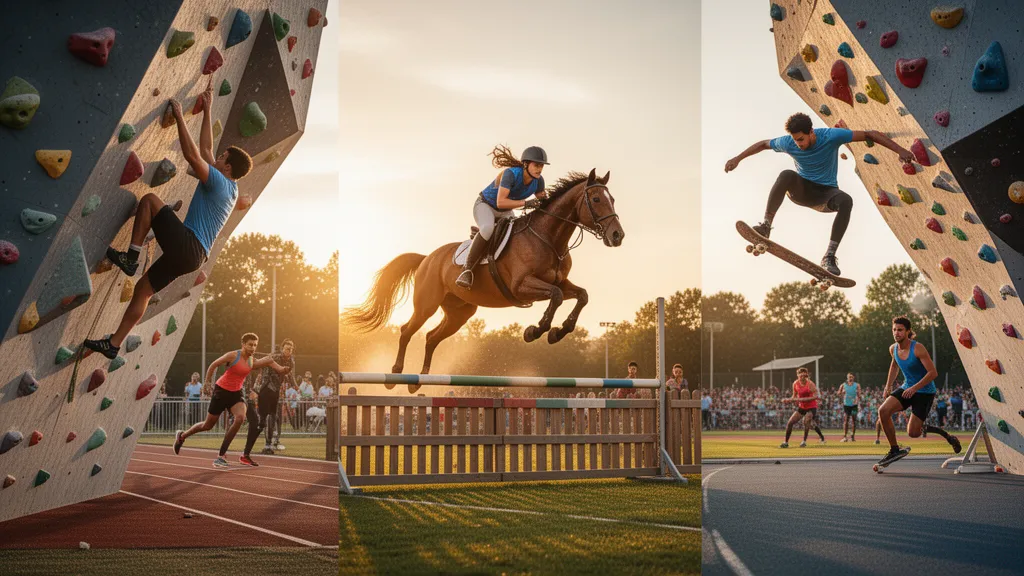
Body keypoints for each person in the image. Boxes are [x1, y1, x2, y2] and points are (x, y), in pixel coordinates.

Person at [84, 78, 253, 359]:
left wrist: (179, 117)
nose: (218, 156)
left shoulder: (220, 184)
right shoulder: (230, 188)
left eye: (223, 156)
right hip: (194, 256)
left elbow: (193, 155)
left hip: (189, 245)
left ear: (228, 166)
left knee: (149, 201)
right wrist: (209, 109)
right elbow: (208, 151)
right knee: (143, 290)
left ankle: (131, 258)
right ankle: (113, 344)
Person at [724, 112, 914, 276]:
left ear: (811, 132)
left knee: (846, 200)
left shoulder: (831, 136)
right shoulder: (788, 142)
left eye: (801, 139)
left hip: (826, 194)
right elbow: (764, 144)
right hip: (801, 191)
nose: (798, 144)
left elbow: (869, 134)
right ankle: (766, 226)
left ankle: (829, 256)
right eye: (795, 139)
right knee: (786, 175)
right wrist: (738, 158)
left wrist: (900, 150)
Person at [172, 333, 291, 467]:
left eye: (255, 345)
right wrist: (206, 383)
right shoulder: (233, 355)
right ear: (243, 344)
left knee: (240, 418)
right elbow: (213, 365)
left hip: (236, 393)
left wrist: (283, 369)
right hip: (221, 391)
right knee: (207, 425)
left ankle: (221, 455)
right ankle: (182, 436)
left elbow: (269, 361)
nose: (253, 348)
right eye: (250, 344)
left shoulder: (252, 361)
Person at [456, 145, 551, 289]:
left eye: (541, 166)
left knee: (518, 233)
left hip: (506, 211)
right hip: (486, 206)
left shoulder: (539, 181)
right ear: (526, 164)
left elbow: (542, 200)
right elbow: (500, 202)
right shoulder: (511, 174)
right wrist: (526, 203)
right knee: (488, 228)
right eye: (536, 165)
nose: (539, 169)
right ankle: (467, 270)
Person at [876, 316, 961, 466]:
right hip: (906, 387)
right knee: (883, 411)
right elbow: (894, 365)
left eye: (900, 330)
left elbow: (933, 373)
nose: (897, 333)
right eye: (894, 330)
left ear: (908, 332)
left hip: (925, 392)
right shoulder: (893, 349)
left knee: (913, 433)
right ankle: (894, 449)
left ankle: (946, 435)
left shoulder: (918, 348)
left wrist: (915, 388)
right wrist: (888, 386)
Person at [243, 339, 296, 458]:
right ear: (282, 348)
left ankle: (269, 443)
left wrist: (295, 386)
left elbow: (290, 374)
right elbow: (264, 362)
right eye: (287, 348)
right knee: (262, 420)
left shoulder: (291, 361)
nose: (289, 351)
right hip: (265, 388)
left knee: (273, 415)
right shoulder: (274, 357)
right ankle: (253, 443)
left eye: (291, 349)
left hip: (275, 391)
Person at [779, 367, 826, 448]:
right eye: (800, 376)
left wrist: (803, 399)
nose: (802, 378)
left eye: (804, 376)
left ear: (806, 375)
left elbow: (816, 396)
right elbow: (794, 396)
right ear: (797, 375)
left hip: (811, 407)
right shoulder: (795, 384)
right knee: (790, 422)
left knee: (807, 421)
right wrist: (788, 400)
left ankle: (804, 441)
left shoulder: (810, 384)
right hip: (802, 407)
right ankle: (786, 442)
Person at [837, 373, 860, 442]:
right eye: (849, 377)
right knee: (846, 419)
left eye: (852, 377)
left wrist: (858, 394)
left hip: (854, 405)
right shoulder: (843, 385)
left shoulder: (857, 385)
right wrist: (842, 393)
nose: (851, 378)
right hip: (846, 405)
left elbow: (859, 394)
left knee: (854, 420)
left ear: (853, 378)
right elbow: (838, 393)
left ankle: (852, 437)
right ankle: (845, 436)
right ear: (847, 378)